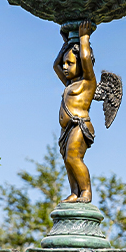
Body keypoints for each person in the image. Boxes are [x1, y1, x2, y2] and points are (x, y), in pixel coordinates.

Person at [53, 21, 97, 203]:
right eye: (65, 62)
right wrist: (66, 45)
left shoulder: (88, 82)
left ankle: (86, 191)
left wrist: (84, 38)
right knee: (67, 160)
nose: (64, 67)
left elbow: (85, 59)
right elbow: (55, 66)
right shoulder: (70, 84)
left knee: (73, 157)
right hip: (67, 128)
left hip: (80, 124)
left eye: (69, 63)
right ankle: (74, 191)